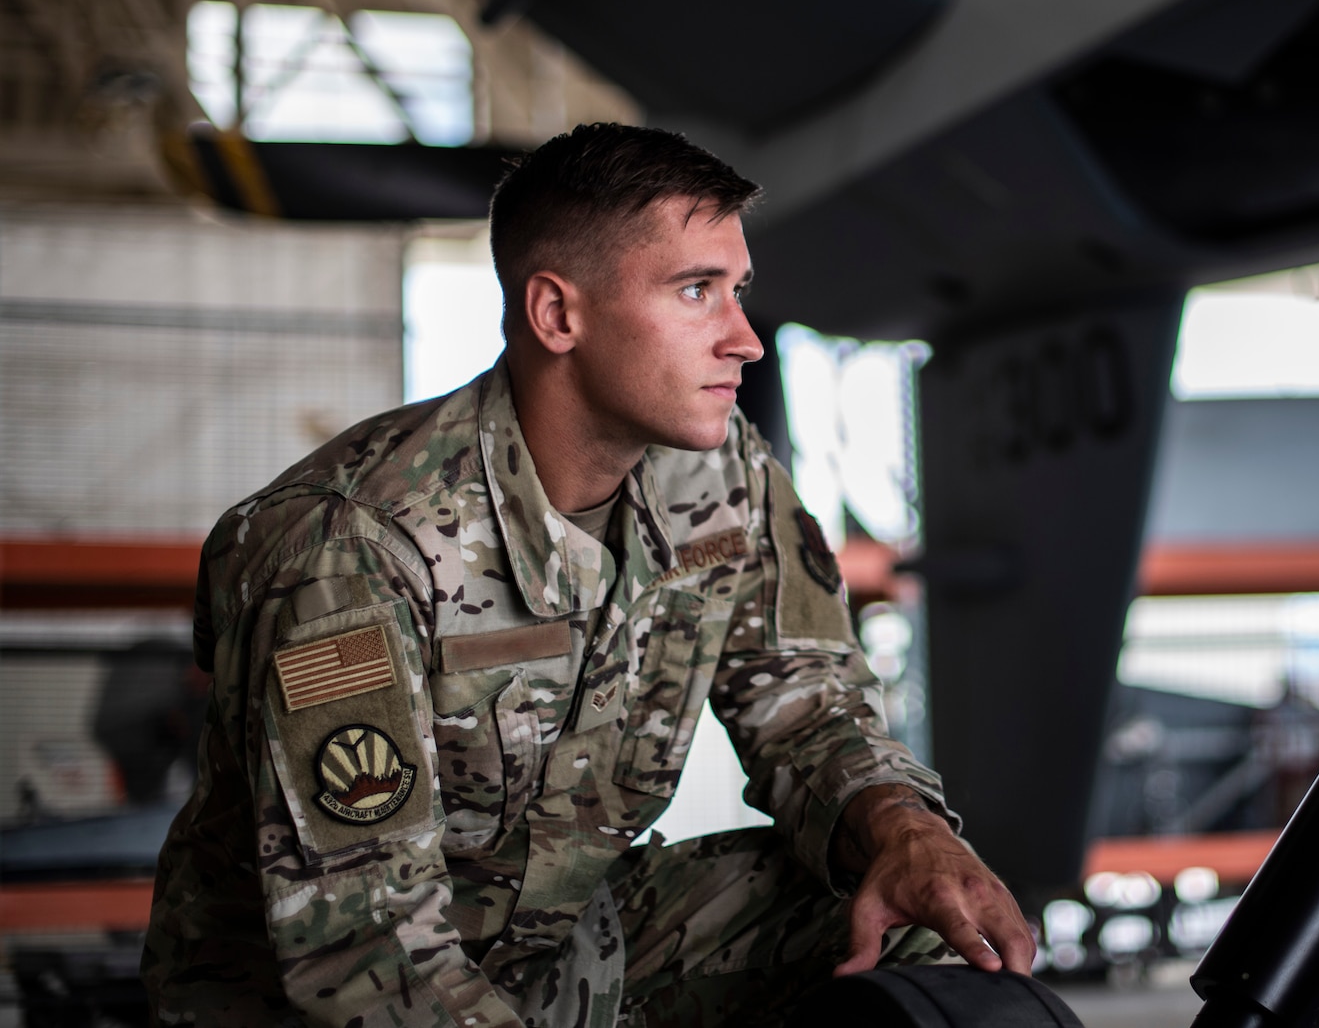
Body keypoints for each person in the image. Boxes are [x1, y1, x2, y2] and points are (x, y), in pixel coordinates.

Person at [142, 123, 1035, 1027]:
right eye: (696, 292)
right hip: (332, 1004)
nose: (746, 340)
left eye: (739, 292)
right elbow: (366, 952)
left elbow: (805, 702)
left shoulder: (726, 479)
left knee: (919, 922)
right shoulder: (351, 543)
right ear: (557, 315)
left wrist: (907, 833)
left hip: (561, 951)